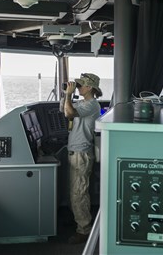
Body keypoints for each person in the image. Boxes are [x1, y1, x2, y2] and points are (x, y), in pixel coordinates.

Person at [61, 73, 102, 244]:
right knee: (75, 191)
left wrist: (69, 95)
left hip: (81, 154)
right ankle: (79, 219)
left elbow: (70, 112)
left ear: (90, 88)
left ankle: (84, 229)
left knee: (79, 193)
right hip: (75, 152)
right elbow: (66, 112)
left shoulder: (92, 105)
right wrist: (67, 95)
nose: (78, 87)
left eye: (80, 85)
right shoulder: (83, 103)